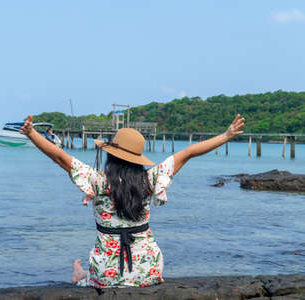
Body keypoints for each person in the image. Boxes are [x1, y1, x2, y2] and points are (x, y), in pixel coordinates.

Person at [20, 114, 245, 288]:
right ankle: (84, 273)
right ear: (138, 160)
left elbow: (60, 156)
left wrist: (32, 134)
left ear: (110, 155)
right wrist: (225, 136)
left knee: (86, 275)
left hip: (107, 274)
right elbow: (188, 153)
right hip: (149, 269)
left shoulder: (98, 181)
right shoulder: (150, 179)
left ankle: (81, 274)